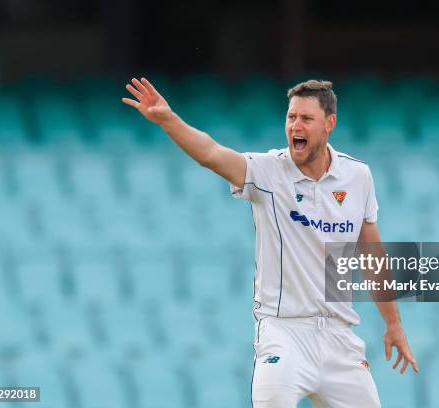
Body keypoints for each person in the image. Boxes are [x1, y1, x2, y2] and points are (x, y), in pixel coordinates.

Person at [122, 77, 418, 407]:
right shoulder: (268, 171)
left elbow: (372, 257)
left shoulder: (357, 176)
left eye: (306, 118)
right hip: (284, 333)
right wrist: (169, 120)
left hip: (339, 335)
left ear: (329, 123)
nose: (295, 126)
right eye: (291, 117)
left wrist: (393, 324)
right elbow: (211, 153)